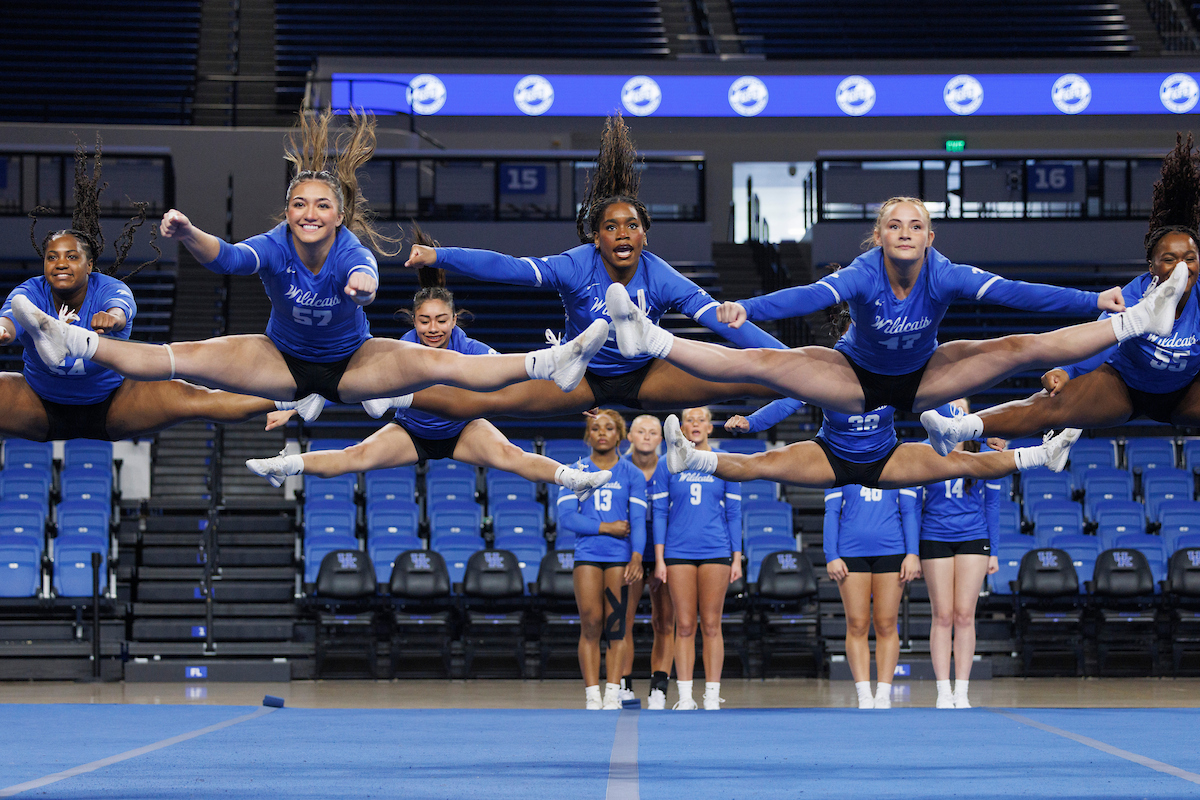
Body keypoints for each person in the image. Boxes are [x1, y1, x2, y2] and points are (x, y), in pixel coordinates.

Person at [10, 110, 609, 416]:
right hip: (281, 358)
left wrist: (361, 287)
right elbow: (231, 261)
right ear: (288, 209)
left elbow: (368, 278)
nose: (308, 213)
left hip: (353, 362)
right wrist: (191, 233)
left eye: (321, 205)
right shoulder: (276, 241)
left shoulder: (349, 248)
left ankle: (549, 361)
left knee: (445, 364)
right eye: (299, 203)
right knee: (179, 359)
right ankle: (71, 342)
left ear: (339, 214)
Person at [604, 196, 1190, 418]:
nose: (906, 232)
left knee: (1017, 349)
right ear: (880, 236)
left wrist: (1093, 300)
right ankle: (651, 339)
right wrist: (746, 307)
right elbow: (810, 296)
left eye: (917, 225)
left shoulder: (946, 274)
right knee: (763, 368)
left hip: (924, 377)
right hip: (855, 379)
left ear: (930, 238)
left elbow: (1016, 292)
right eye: (895, 225)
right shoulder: (863, 273)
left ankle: (1137, 319)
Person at [395, 114, 788, 421]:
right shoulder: (576, 265)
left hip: (647, 375)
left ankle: (811, 372)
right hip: (579, 374)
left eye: (632, 226)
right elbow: (509, 268)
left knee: (762, 376)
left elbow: (726, 323)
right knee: (485, 400)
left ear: (644, 236)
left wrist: (789, 361)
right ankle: (395, 394)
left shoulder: (661, 276)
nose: (622, 234)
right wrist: (439, 255)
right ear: (596, 237)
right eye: (610, 227)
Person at [244, 238, 613, 502]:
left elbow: (515, 377)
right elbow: (342, 377)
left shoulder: (469, 347)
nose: (432, 329)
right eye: (424, 321)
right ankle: (287, 465)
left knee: (511, 457)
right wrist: (291, 406)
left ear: (455, 319)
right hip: (412, 430)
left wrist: (570, 395)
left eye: (440, 321)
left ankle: (573, 479)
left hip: (461, 429)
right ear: (413, 321)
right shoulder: (401, 348)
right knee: (355, 457)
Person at [922, 133, 1200, 450]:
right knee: (1051, 403)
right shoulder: (1132, 296)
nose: (1182, 267)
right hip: (1125, 388)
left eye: (1190, 258)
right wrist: (1065, 370)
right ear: (1151, 267)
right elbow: (1097, 342)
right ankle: (958, 429)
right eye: (1170, 259)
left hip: (1186, 391)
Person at [0, 139, 281, 443]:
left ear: (90, 264)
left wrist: (111, 318)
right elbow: (9, 321)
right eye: (52, 258)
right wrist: (3, 330)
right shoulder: (30, 292)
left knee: (195, 398)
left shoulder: (110, 289)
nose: (60, 264)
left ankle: (291, 399)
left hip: (114, 404)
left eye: (71, 257)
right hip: (38, 403)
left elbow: (119, 313)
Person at [651, 407, 741, 710]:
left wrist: (737, 558)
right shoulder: (666, 464)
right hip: (678, 552)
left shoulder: (724, 462)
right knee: (685, 625)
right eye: (689, 419)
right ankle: (686, 696)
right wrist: (660, 559)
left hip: (716, 550)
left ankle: (712, 695)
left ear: (711, 427)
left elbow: (734, 513)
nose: (695, 424)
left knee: (712, 624)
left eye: (701, 419)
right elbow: (660, 513)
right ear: (682, 427)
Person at [557, 409, 646, 710]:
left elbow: (637, 518)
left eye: (609, 427)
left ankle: (612, 693)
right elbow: (567, 518)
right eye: (596, 428)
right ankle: (591, 694)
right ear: (588, 435)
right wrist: (606, 527)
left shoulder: (632, 474)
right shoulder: (574, 470)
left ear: (620, 434)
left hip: (620, 558)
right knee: (591, 623)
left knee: (617, 625)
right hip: (588, 556)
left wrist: (637, 556)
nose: (602, 432)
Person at [917, 401, 1001, 710]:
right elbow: (914, 506)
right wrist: (913, 551)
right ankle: (942, 690)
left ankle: (962, 689)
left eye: (961, 408)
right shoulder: (925, 450)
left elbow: (992, 505)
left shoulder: (982, 451)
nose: (955, 413)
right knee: (942, 615)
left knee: (965, 615)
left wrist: (994, 550)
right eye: (950, 407)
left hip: (972, 535)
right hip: (935, 535)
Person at [823, 479, 919, 709]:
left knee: (886, 623)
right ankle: (864, 693)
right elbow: (832, 511)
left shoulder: (898, 466)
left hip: (892, 550)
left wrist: (913, 553)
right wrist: (831, 554)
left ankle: (884, 692)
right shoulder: (841, 464)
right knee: (856, 623)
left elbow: (908, 511)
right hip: (850, 551)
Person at [622, 413, 676, 710]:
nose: (646, 436)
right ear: (629, 436)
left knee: (663, 621)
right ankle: (624, 685)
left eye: (653, 432)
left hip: (663, 553)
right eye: (640, 431)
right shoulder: (618, 467)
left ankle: (659, 687)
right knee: (623, 621)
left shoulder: (672, 465)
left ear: (661, 438)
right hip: (626, 552)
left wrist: (662, 559)